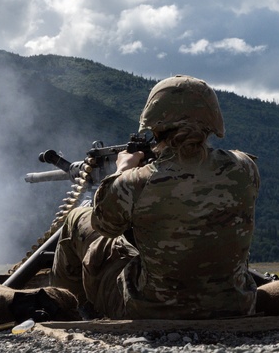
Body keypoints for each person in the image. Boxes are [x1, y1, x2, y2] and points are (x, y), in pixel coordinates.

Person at [50, 75, 260, 319]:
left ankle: (66, 312)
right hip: (237, 305)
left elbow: (104, 225)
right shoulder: (244, 167)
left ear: (154, 123)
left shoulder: (135, 182)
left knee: (76, 218)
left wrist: (121, 171)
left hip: (150, 310)